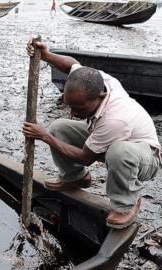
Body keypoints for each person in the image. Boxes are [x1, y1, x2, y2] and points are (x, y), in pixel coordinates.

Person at [23, 37, 161, 229]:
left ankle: (126, 204)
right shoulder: (98, 80)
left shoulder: (116, 118)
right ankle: (75, 178)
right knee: (59, 127)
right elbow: (73, 65)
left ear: (100, 97)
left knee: (119, 151)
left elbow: (85, 157)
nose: (73, 113)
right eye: (70, 105)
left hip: (144, 157)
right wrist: (46, 55)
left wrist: (44, 136)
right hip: (110, 141)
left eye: (79, 108)